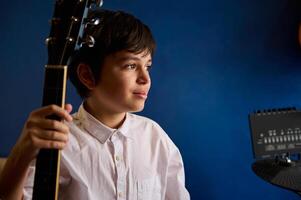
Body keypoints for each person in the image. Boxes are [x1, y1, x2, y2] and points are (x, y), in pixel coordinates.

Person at [0, 9, 190, 200]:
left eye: (147, 66)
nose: (145, 78)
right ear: (87, 76)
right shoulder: (57, 141)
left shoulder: (155, 138)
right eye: (131, 66)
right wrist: (21, 153)